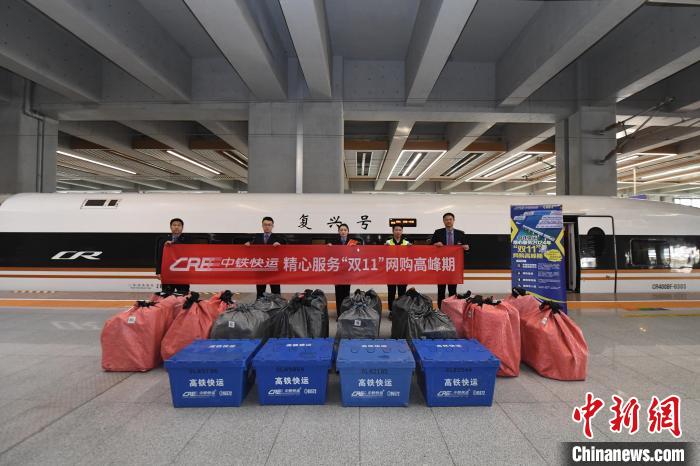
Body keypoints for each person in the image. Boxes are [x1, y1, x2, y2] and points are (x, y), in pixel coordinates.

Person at [430, 212, 470, 309]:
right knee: (441, 290)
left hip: (454, 267)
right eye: (446, 219)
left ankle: (452, 309)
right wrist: (435, 245)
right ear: (443, 221)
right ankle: (440, 310)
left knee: (452, 290)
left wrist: (466, 248)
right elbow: (430, 248)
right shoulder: (438, 232)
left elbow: (466, 250)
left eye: (450, 219)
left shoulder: (460, 234)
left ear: (453, 220)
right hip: (441, 266)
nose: (448, 221)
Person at [327, 223, 362, 319]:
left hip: (347, 272)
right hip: (337, 273)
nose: (343, 231)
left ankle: (346, 314)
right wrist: (328, 247)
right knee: (338, 294)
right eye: (341, 230)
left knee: (346, 294)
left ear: (348, 232)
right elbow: (329, 255)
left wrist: (356, 249)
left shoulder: (353, 243)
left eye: (345, 230)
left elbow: (359, 253)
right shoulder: (334, 242)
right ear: (338, 232)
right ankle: (339, 314)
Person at [245, 216, 286, 298]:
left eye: (269, 225)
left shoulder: (278, 238)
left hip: (273, 269)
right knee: (260, 292)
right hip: (260, 268)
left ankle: (277, 305)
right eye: (265, 224)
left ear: (272, 226)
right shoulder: (257, 237)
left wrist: (280, 245)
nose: (267, 227)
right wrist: (248, 244)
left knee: (275, 292)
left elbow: (286, 248)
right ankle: (259, 305)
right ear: (262, 226)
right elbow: (251, 247)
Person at [155, 217, 190, 295]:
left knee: (183, 295)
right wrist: (158, 271)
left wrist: (174, 244)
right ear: (170, 227)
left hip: (183, 273)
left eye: (179, 225)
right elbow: (159, 256)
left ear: (182, 227)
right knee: (166, 294)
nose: (176, 227)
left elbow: (191, 253)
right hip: (168, 272)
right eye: (174, 225)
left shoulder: (188, 239)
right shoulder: (163, 239)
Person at [385, 224, 410, 318]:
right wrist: (384, 248)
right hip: (391, 271)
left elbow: (411, 256)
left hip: (403, 272)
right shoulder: (388, 243)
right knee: (391, 292)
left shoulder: (407, 243)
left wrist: (412, 249)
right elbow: (383, 255)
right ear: (393, 231)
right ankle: (392, 311)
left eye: (400, 230)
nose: (398, 231)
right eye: (396, 230)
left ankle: (400, 310)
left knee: (402, 293)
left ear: (402, 231)